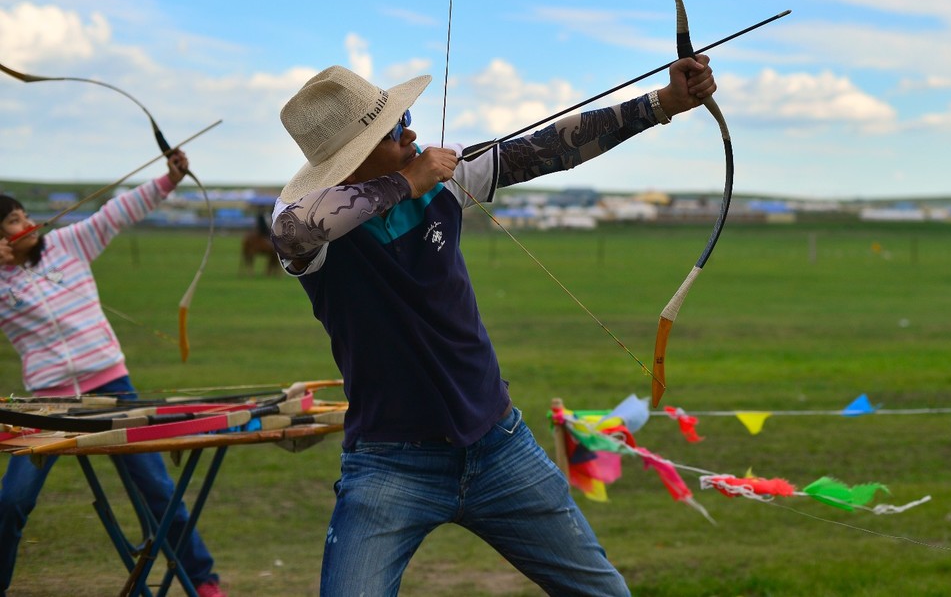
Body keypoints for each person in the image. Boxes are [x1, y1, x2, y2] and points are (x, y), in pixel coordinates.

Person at [271, 57, 716, 597]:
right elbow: (292, 228)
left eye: (404, 119)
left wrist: (661, 105)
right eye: (394, 130)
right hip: (389, 463)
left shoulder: (441, 181)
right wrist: (408, 182)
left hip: (498, 446)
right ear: (356, 157)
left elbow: (547, 147)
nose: (411, 132)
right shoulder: (313, 228)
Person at [0, 150, 226, 597]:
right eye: (13, 220)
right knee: (11, 501)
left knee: (158, 489)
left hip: (112, 386)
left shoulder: (67, 243)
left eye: (24, 214)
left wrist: (168, 181)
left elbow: (113, 214)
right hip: (47, 402)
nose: (27, 222)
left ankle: (203, 579)